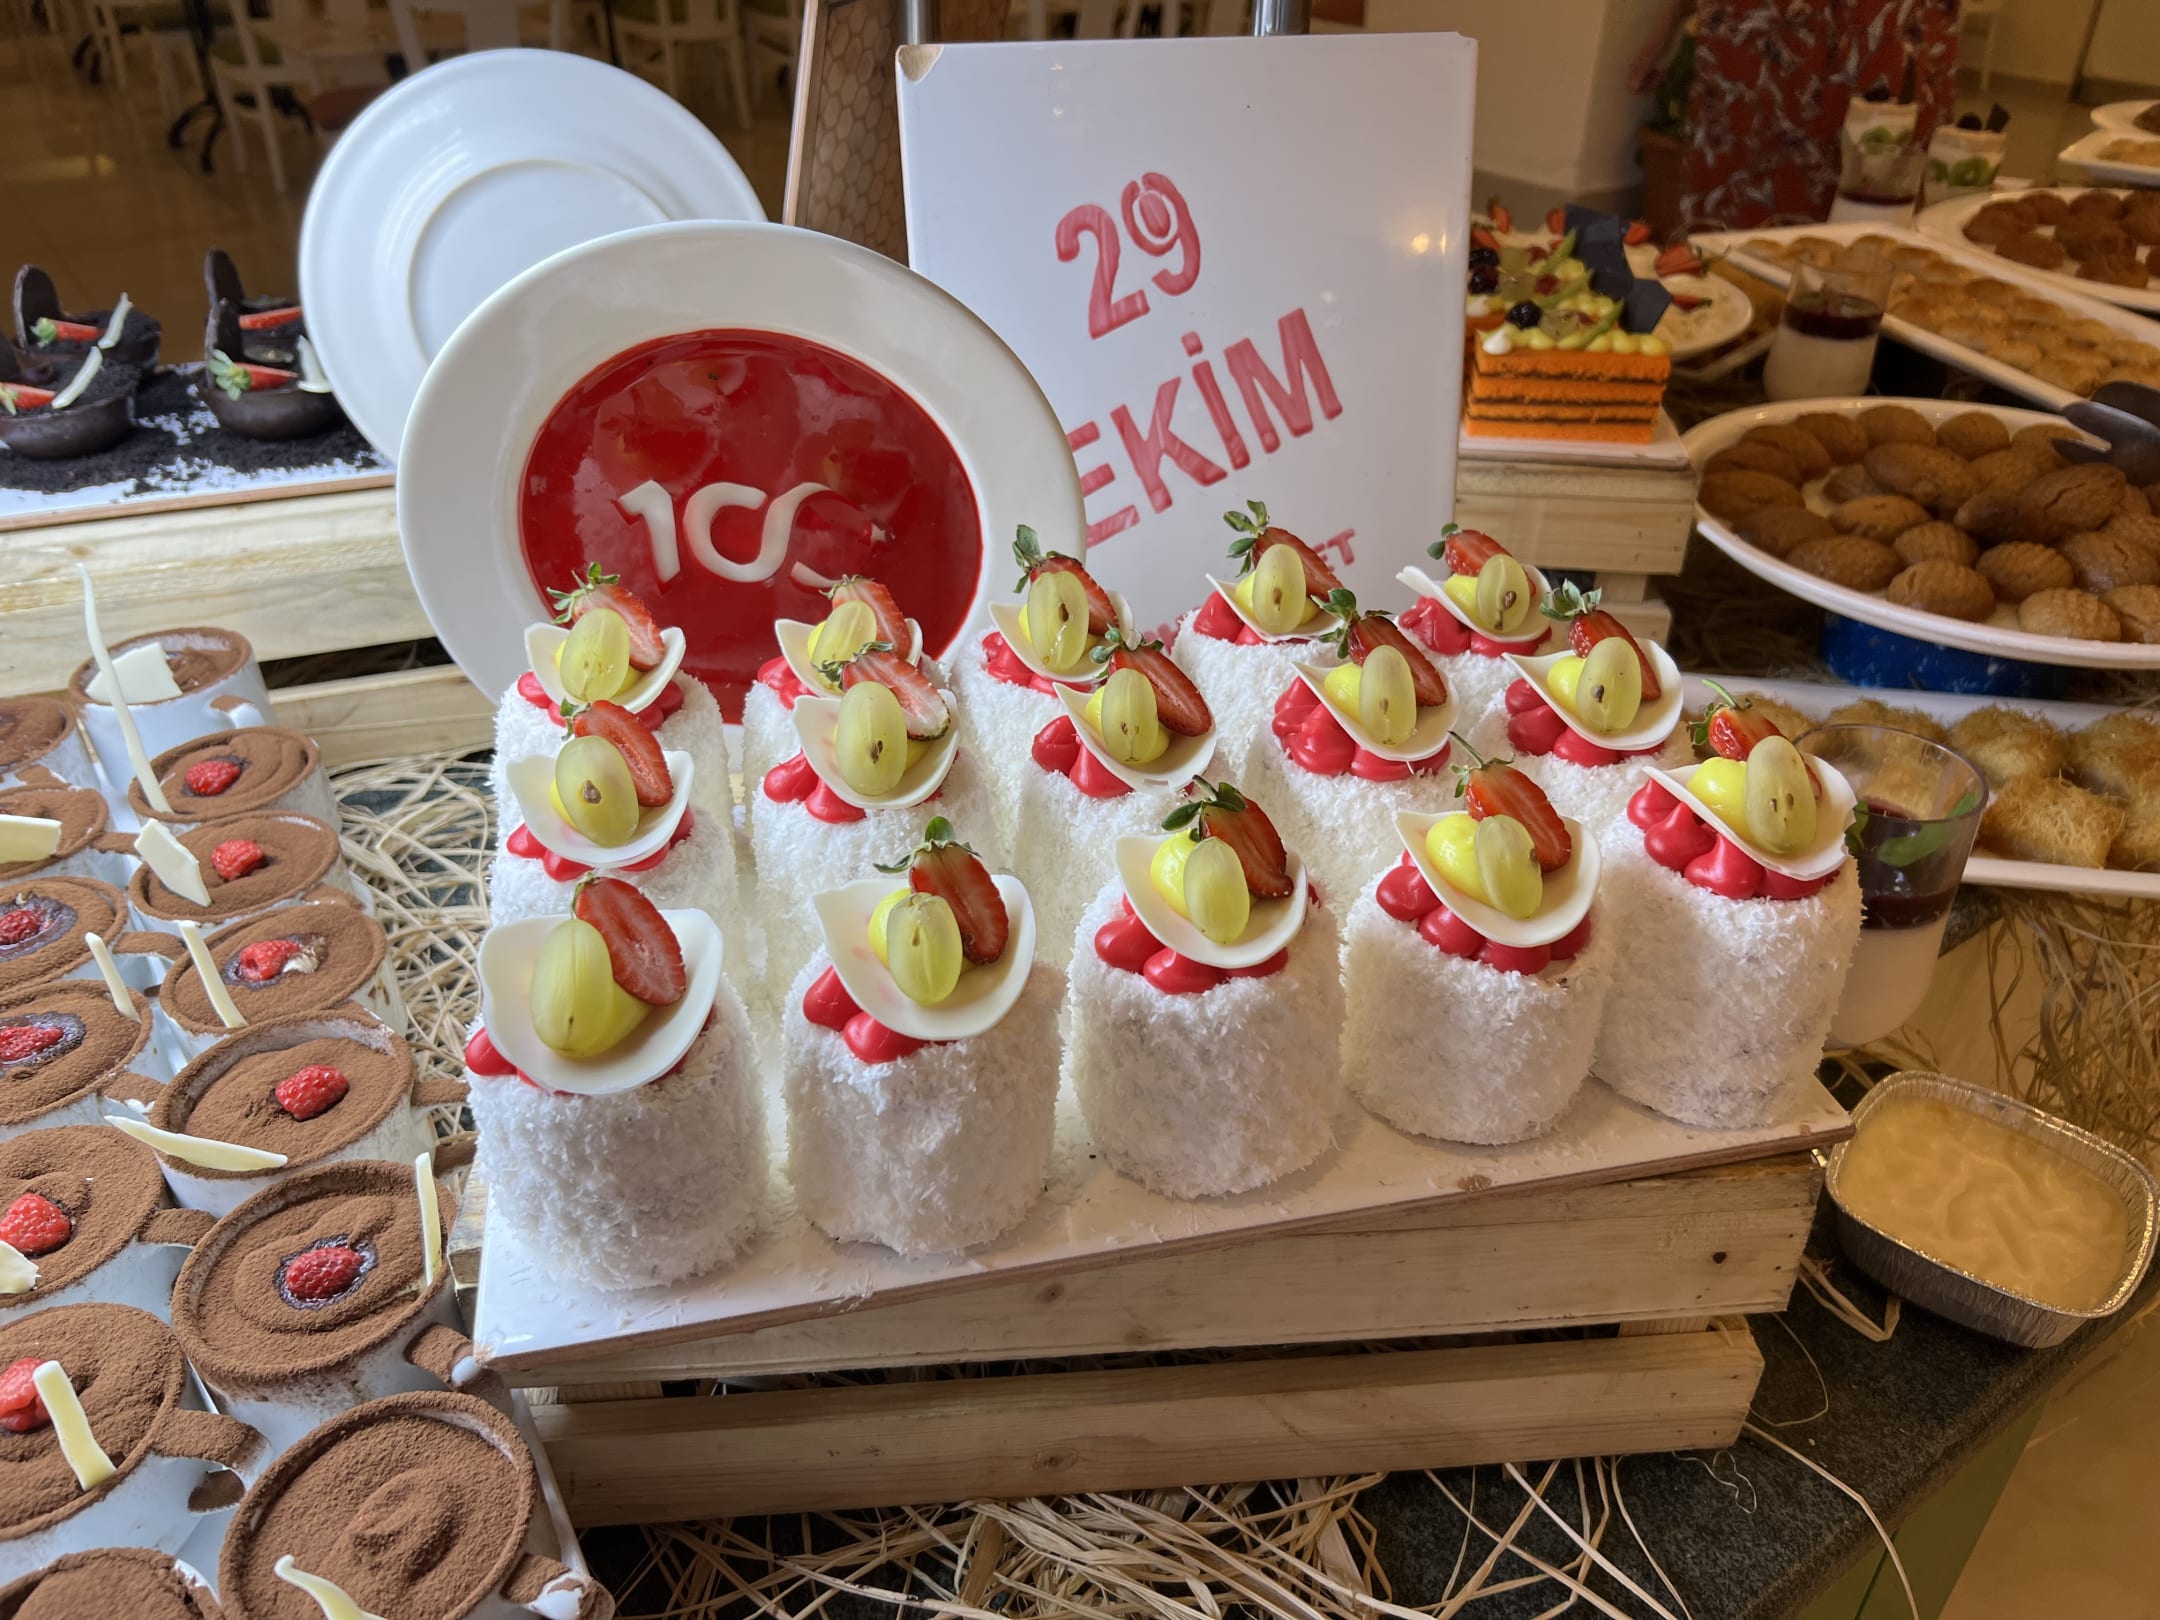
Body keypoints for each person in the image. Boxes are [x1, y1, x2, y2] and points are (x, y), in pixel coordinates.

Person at [1627, 0, 1960, 229]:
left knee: (1882, 212)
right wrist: (1667, 25)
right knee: (1737, 227)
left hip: (1888, 25)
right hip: (1766, 32)